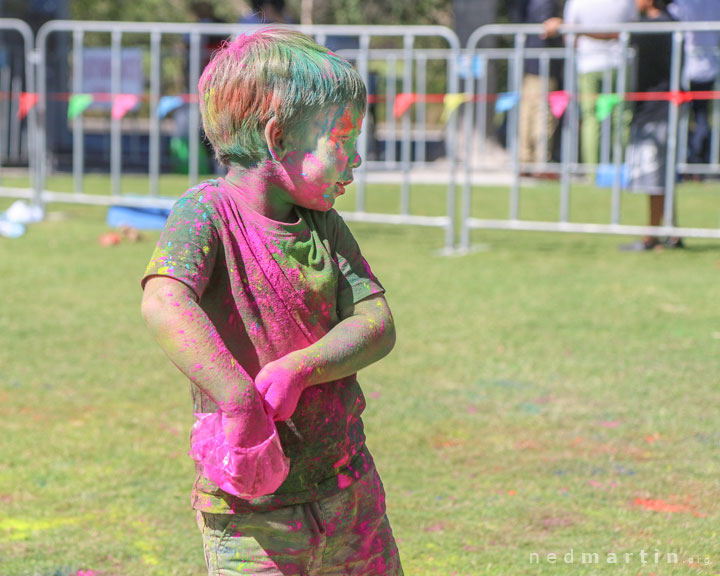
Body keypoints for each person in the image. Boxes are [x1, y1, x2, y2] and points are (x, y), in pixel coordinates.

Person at [141, 28, 403, 575]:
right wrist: (237, 398)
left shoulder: (324, 225)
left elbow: (376, 321)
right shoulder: (206, 212)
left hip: (348, 488)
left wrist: (300, 369)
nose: (355, 162)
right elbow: (165, 301)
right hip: (251, 511)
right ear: (279, 136)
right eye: (344, 140)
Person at [544, 0, 637, 172]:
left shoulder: (577, 2)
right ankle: (621, 170)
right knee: (621, 117)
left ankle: (593, 172)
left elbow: (569, 38)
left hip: (589, 64)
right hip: (619, 63)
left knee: (591, 118)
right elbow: (634, 27)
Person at [621, 0, 680, 250]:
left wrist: (569, 28)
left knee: (654, 177)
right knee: (660, 176)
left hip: (656, 109)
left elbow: (611, 34)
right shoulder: (665, 23)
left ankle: (652, 237)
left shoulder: (656, 26)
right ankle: (672, 233)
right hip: (656, 107)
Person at [668, 0, 720, 166]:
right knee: (699, 116)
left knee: (697, 116)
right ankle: (694, 160)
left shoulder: (682, 4)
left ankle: (694, 161)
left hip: (692, 67)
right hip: (701, 66)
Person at [514, 0, 563, 172]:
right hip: (543, 64)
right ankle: (540, 163)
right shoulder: (545, 3)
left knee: (528, 113)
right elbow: (548, 27)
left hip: (532, 63)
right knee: (541, 115)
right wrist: (563, 24)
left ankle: (525, 161)